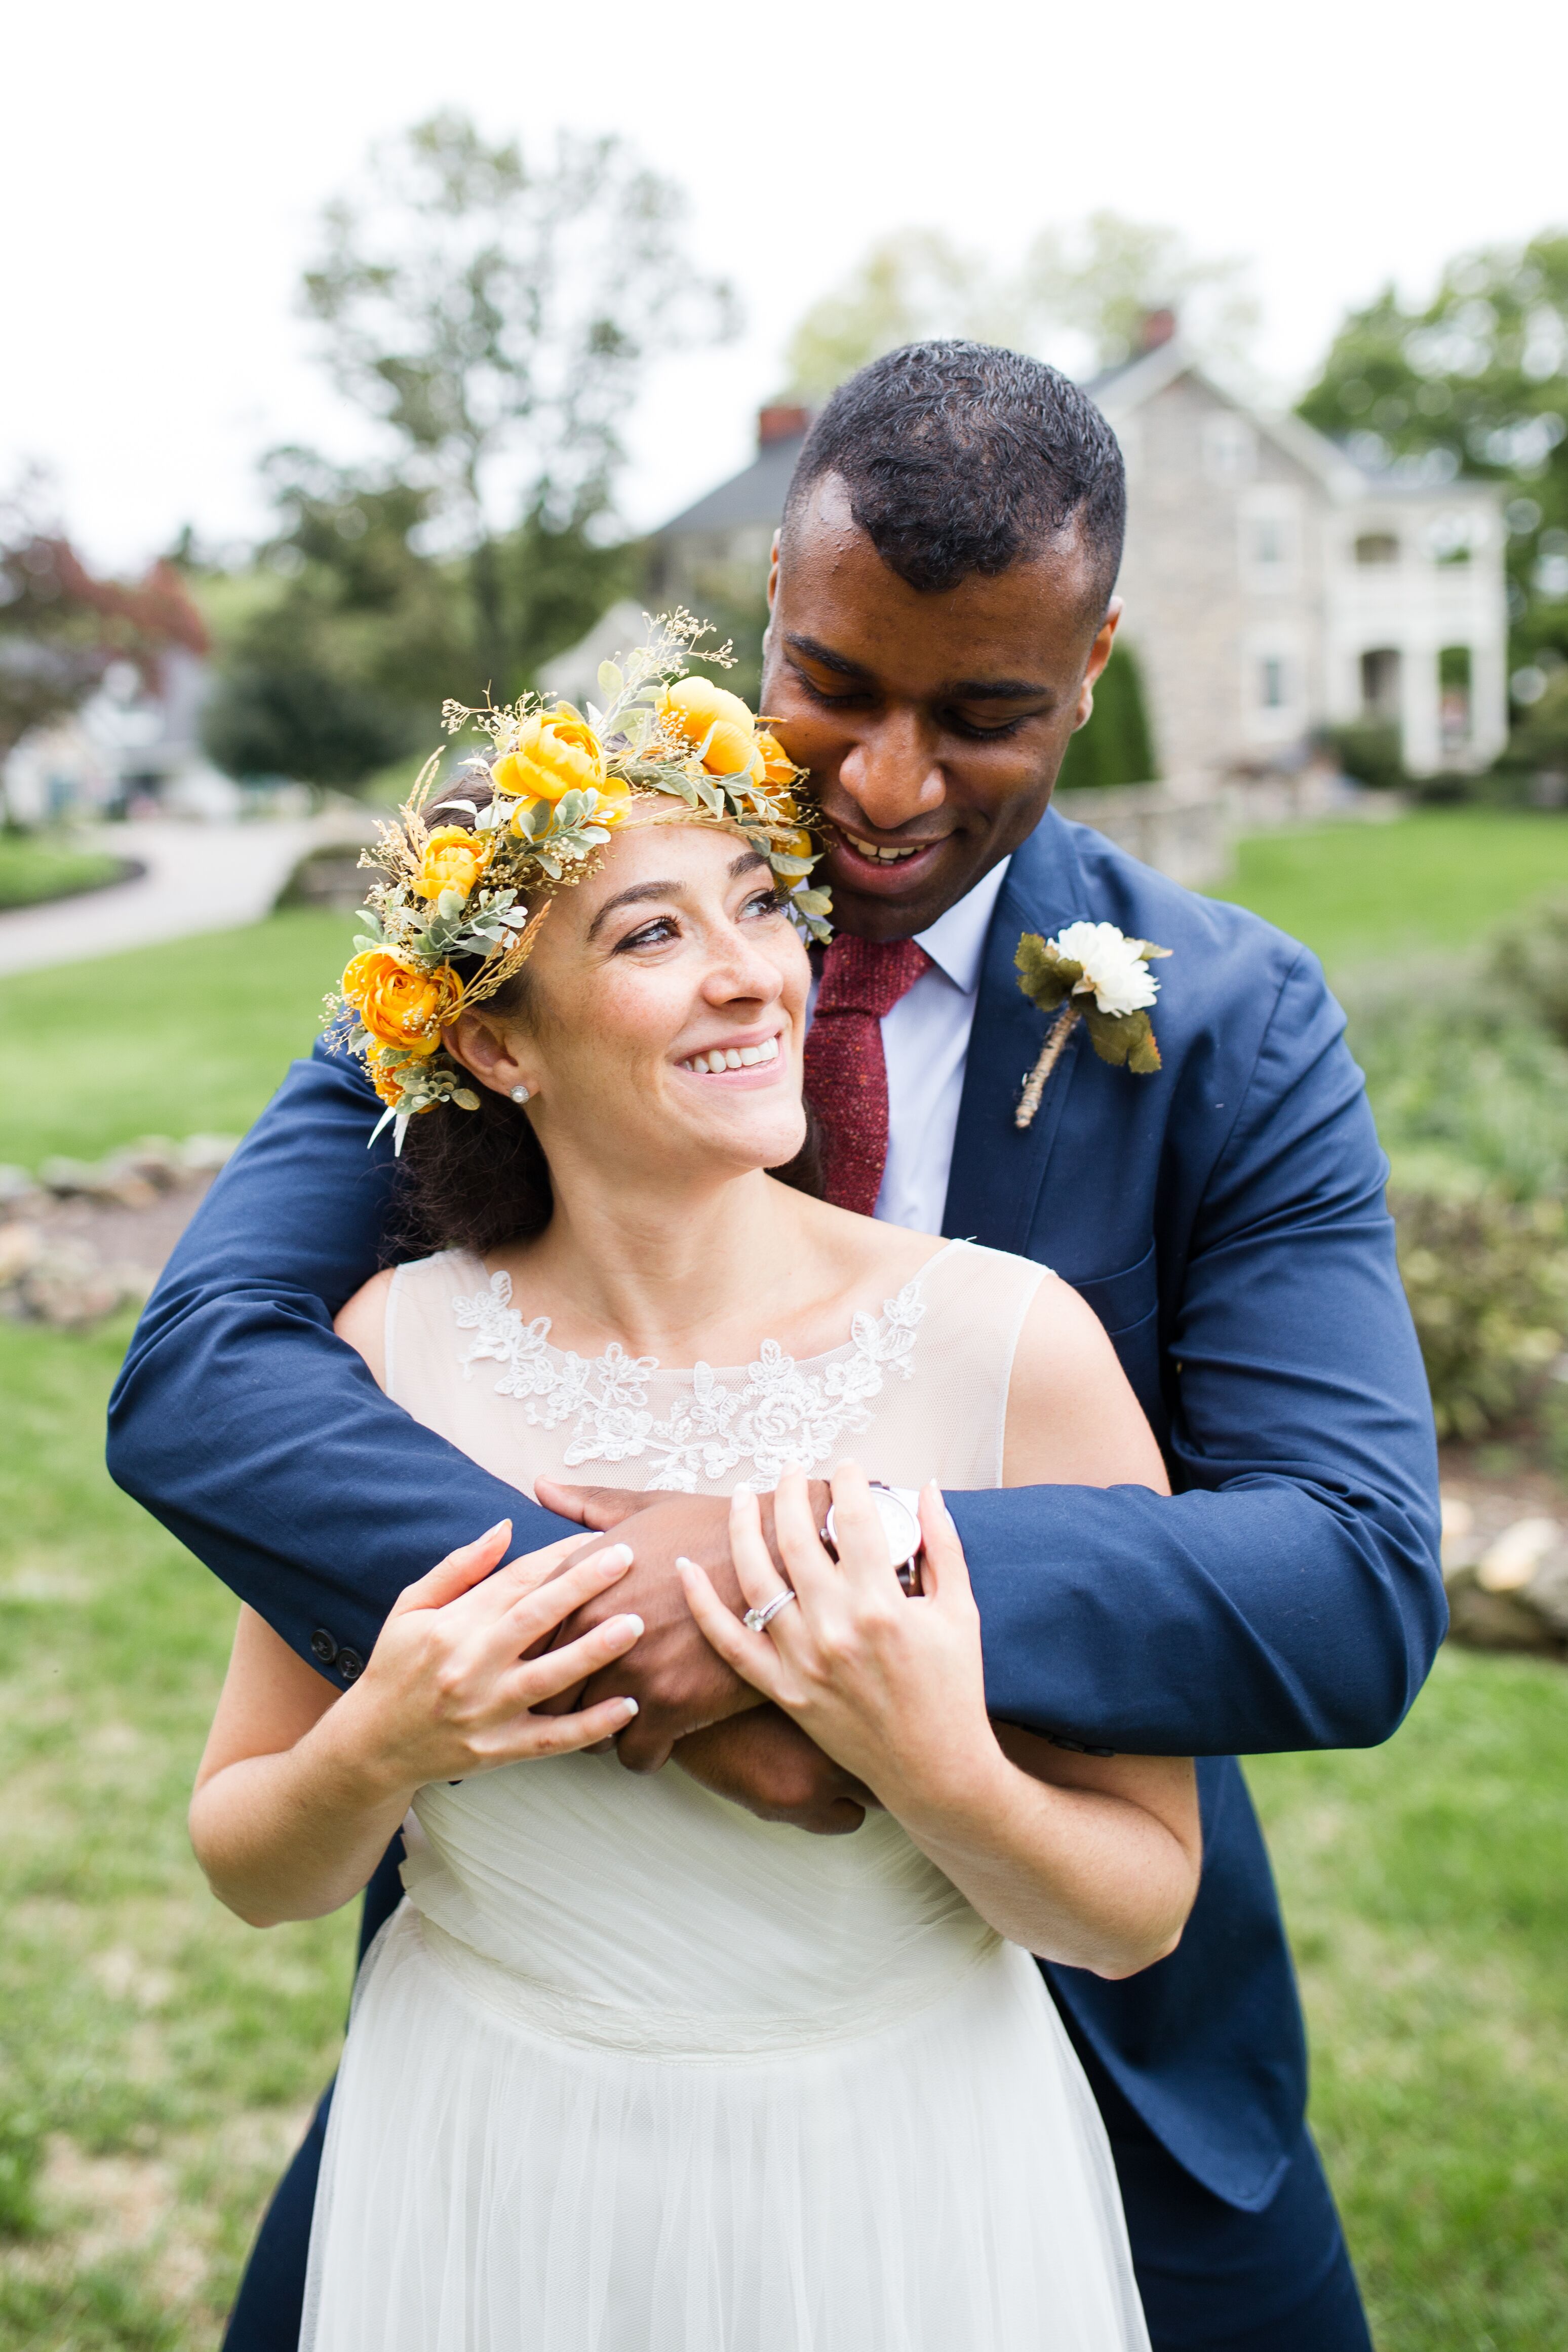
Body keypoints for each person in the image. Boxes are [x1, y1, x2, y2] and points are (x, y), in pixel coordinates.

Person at [109, 342, 1443, 2352]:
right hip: (552, 2004)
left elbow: (1348, 1580)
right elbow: (208, 1367)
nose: (889, 783)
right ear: (772, 625)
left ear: (1088, 680)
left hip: (1066, 2008)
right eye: (836, 687)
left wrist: (747, 1589)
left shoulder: (1233, 1025)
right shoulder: (517, 946)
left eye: (986, 715)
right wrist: (586, 1627)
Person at [189, 778, 1196, 2347]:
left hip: (898, 2167)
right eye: (653, 931)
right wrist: (384, 1743)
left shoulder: (1016, 1347)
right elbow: (252, 1862)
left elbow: (1140, 1908)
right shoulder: (394, 1352)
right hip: (493, 2159)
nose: (754, 971)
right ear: (498, 1044)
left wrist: (941, 1771)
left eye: (758, 903)